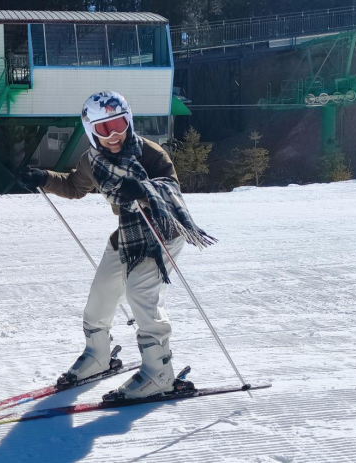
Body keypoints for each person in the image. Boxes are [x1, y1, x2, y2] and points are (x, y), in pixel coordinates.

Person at [20, 91, 215, 400]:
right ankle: (97, 355)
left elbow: (171, 190)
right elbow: (74, 186)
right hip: (128, 234)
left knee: (140, 293)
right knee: (100, 296)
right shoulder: (93, 161)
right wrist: (44, 177)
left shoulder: (150, 154)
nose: (113, 135)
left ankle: (159, 373)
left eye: (119, 125)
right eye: (103, 128)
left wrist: (144, 189)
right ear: (91, 131)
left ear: (129, 122)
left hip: (163, 232)